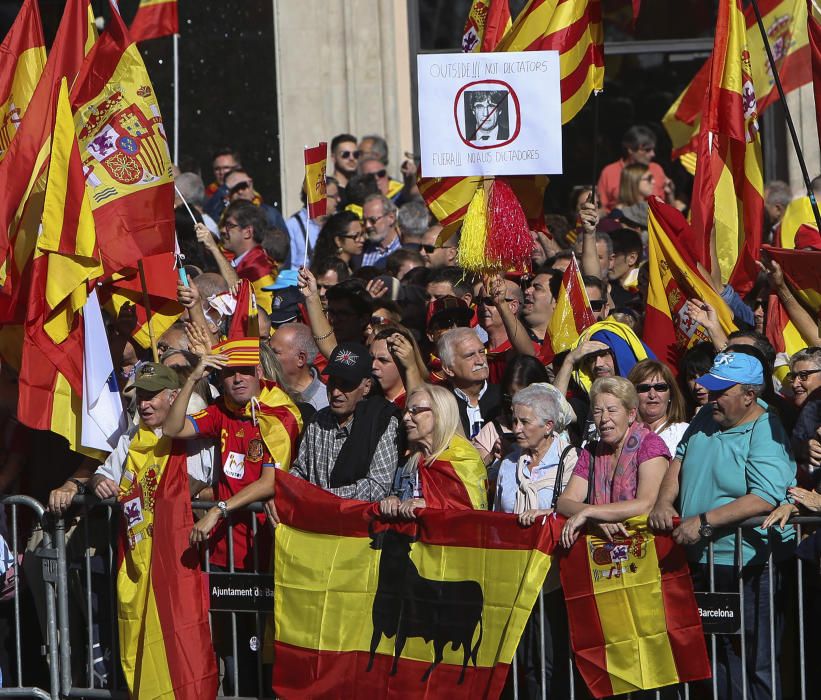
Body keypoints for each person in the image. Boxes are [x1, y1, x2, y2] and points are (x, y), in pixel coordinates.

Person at [649, 351, 796, 700]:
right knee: (717, 656)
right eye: (710, 388)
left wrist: (703, 522)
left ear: (749, 395)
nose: (709, 395)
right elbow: (679, 462)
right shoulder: (704, 417)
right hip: (706, 564)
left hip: (749, 566)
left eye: (720, 391)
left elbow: (763, 498)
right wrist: (663, 501)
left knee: (755, 660)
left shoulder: (765, 428)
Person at [493, 383, 578, 700]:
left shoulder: (571, 460)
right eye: (514, 421)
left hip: (552, 582)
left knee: (549, 662)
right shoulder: (508, 465)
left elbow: (576, 512)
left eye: (524, 422)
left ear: (548, 426)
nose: (516, 428)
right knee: (520, 663)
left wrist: (548, 516)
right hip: (513, 581)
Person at [557, 376, 670, 548]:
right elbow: (564, 502)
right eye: (597, 411)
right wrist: (596, 519)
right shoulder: (592, 451)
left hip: (645, 550)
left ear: (631, 414)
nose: (604, 418)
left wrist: (592, 512)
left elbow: (646, 504)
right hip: (602, 553)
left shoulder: (650, 445)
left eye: (612, 410)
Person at [286, 343, 401, 501]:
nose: (336, 392)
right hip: (315, 520)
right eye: (333, 382)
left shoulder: (382, 423)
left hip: (356, 522)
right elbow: (300, 471)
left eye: (346, 385)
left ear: (366, 387)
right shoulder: (317, 421)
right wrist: (287, 489)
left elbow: (377, 487)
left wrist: (323, 497)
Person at [379, 384, 487, 518]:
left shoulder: (464, 458)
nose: (406, 417)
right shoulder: (408, 463)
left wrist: (429, 505)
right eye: (406, 411)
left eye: (415, 410)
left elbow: (473, 514)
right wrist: (392, 500)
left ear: (439, 413)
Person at [195, 202, 276, 313]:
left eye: (229, 225)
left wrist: (213, 248)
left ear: (247, 232)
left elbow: (241, 299)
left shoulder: (259, 269)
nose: (223, 230)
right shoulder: (245, 261)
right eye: (223, 224)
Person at [438, 327, 501, 439]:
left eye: (482, 352)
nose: (480, 361)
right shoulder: (439, 406)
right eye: (470, 356)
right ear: (448, 369)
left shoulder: (503, 398)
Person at [596, 125, 667, 212]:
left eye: (653, 149)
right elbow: (601, 207)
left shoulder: (656, 169)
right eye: (647, 150)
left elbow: (666, 206)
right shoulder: (609, 172)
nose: (652, 154)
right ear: (630, 149)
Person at [627, 359, 689, 454]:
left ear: (671, 394)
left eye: (660, 387)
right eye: (644, 388)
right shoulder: (624, 434)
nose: (652, 395)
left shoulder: (684, 432)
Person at [268, 323, 328, 411]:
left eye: (275, 352)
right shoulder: (264, 391)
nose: (267, 357)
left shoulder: (325, 404)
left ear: (300, 359)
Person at [360, 194, 401, 268]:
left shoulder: (404, 249)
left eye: (372, 220)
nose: (367, 225)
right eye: (364, 220)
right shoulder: (361, 249)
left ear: (391, 218)